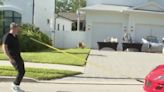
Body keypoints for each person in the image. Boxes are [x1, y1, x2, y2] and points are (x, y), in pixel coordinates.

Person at [2, 22, 25, 92]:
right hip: (13, 57)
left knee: (22, 71)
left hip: (18, 56)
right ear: (13, 28)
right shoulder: (7, 36)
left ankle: (16, 85)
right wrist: (10, 58)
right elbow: (4, 47)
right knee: (20, 71)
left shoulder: (15, 36)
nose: (18, 29)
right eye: (17, 27)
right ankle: (14, 85)